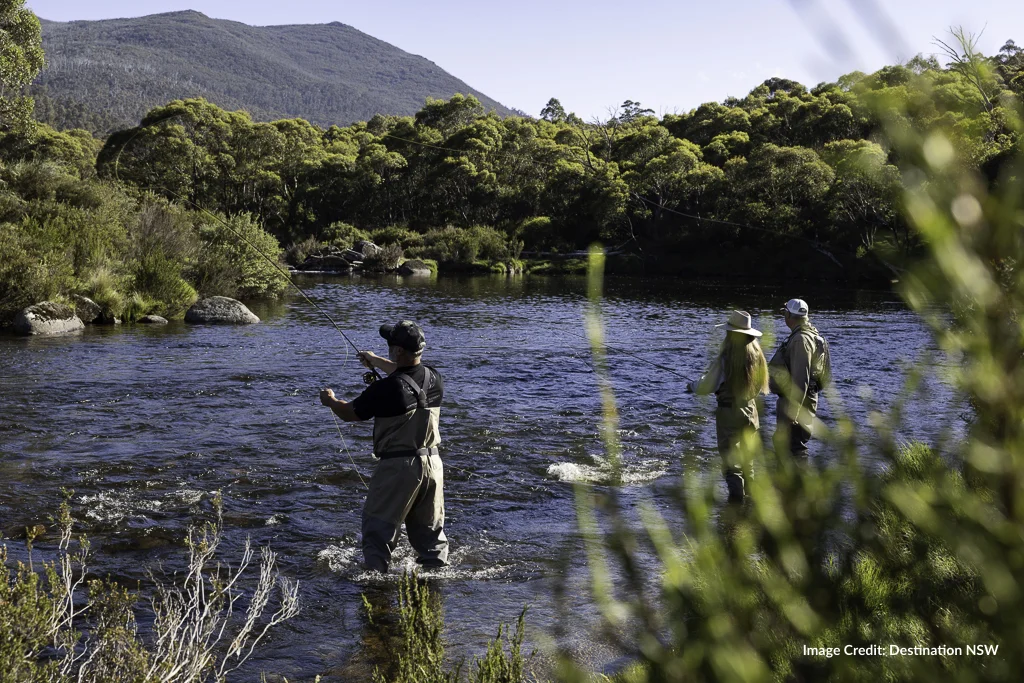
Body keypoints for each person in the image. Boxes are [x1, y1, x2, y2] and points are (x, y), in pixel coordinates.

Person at [319, 320, 449, 572]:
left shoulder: (386, 388)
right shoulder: (434, 377)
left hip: (399, 468)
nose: (388, 347)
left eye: (390, 344)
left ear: (399, 350)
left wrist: (331, 401)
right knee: (430, 534)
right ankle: (435, 590)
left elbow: (350, 413)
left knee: (378, 531)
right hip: (433, 465)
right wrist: (375, 359)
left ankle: (375, 592)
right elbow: (406, 376)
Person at [685, 310, 769, 501]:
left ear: (731, 334)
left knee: (732, 465)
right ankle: (750, 503)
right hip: (751, 411)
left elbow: (706, 386)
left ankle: (736, 508)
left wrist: (691, 386)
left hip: (729, 413)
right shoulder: (758, 356)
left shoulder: (725, 358)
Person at [768, 298, 831, 457]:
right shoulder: (810, 335)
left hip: (795, 403)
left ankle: (801, 482)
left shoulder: (800, 340)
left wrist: (793, 414)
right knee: (786, 447)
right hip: (803, 401)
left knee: (793, 448)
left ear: (789, 315)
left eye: (785, 313)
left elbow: (800, 379)